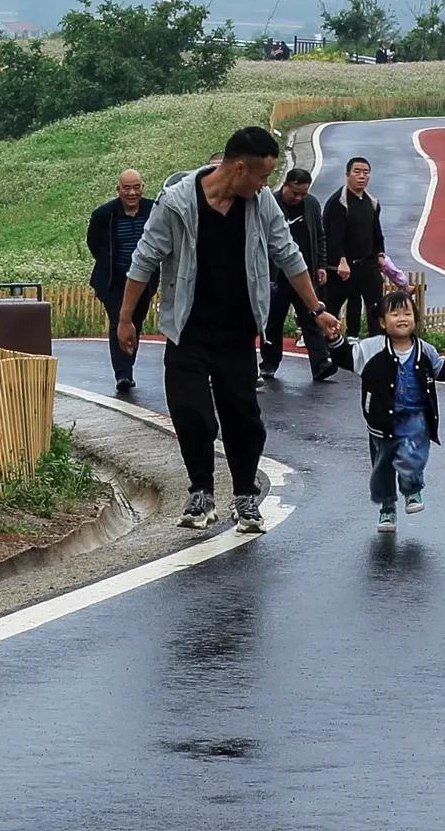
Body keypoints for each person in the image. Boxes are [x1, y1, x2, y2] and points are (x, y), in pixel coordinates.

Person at [117, 125, 339, 531]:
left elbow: (289, 256)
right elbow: (145, 257)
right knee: (191, 413)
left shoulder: (261, 205)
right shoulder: (178, 202)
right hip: (188, 329)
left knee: (244, 419)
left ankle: (244, 496)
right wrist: (126, 317)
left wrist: (317, 308)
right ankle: (200, 491)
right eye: (261, 176)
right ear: (239, 169)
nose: (265, 185)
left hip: (238, 331)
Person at [357, 279, 445, 530]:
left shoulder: (424, 349)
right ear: (383, 322)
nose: (402, 318)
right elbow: (349, 358)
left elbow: (441, 370)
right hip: (382, 420)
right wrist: (335, 342)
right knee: (383, 465)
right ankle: (387, 509)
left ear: (415, 319)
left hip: (415, 417)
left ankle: (412, 489)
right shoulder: (372, 350)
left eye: (407, 312)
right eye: (395, 313)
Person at [263, 165, 341, 384]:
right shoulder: (271, 204)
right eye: (294, 192)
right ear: (285, 185)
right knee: (273, 323)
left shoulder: (312, 205)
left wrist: (321, 265)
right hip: (277, 276)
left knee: (312, 318)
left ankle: (320, 364)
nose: (298, 197)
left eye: (303, 194)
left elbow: (320, 236)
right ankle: (269, 364)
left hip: (304, 275)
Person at [87, 167, 153, 398]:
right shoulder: (104, 214)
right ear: (118, 190)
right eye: (127, 188)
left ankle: (128, 364)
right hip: (114, 280)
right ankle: (123, 373)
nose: (132, 193)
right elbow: (94, 244)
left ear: (142, 188)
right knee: (119, 322)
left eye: (136, 187)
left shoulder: (153, 210)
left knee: (136, 321)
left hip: (144, 281)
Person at [322, 153, 389, 343]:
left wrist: (380, 253)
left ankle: (377, 341)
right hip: (344, 266)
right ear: (347, 174)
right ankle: (329, 341)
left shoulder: (372, 202)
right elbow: (332, 234)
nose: (362, 176)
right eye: (357, 172)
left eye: (366, 172)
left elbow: (376, 231)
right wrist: (340, 259)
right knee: (333, 304)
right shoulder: (338, 202)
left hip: (368, 263)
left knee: (375, 304)